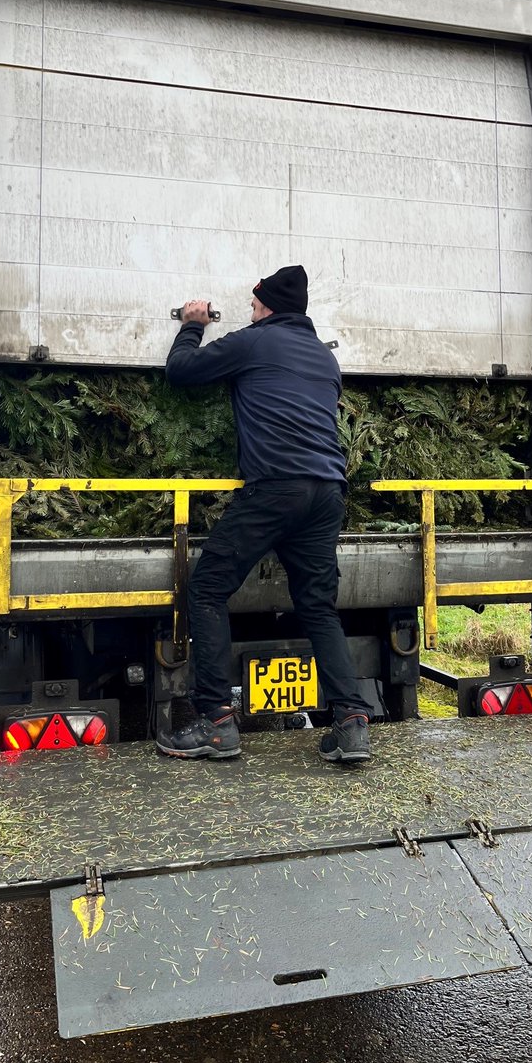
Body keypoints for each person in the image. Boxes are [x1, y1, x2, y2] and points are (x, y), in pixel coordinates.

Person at [156, 263, 373, 764]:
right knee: (318, 606)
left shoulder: (253, 342)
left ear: (268, 307)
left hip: (276, 487)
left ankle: (215, 722)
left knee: (208, 588)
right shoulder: (325, 359)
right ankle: (352, 724)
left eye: (254, 304)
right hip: (328, 492)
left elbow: (182, 372)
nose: (250, 310)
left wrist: (192, 324)